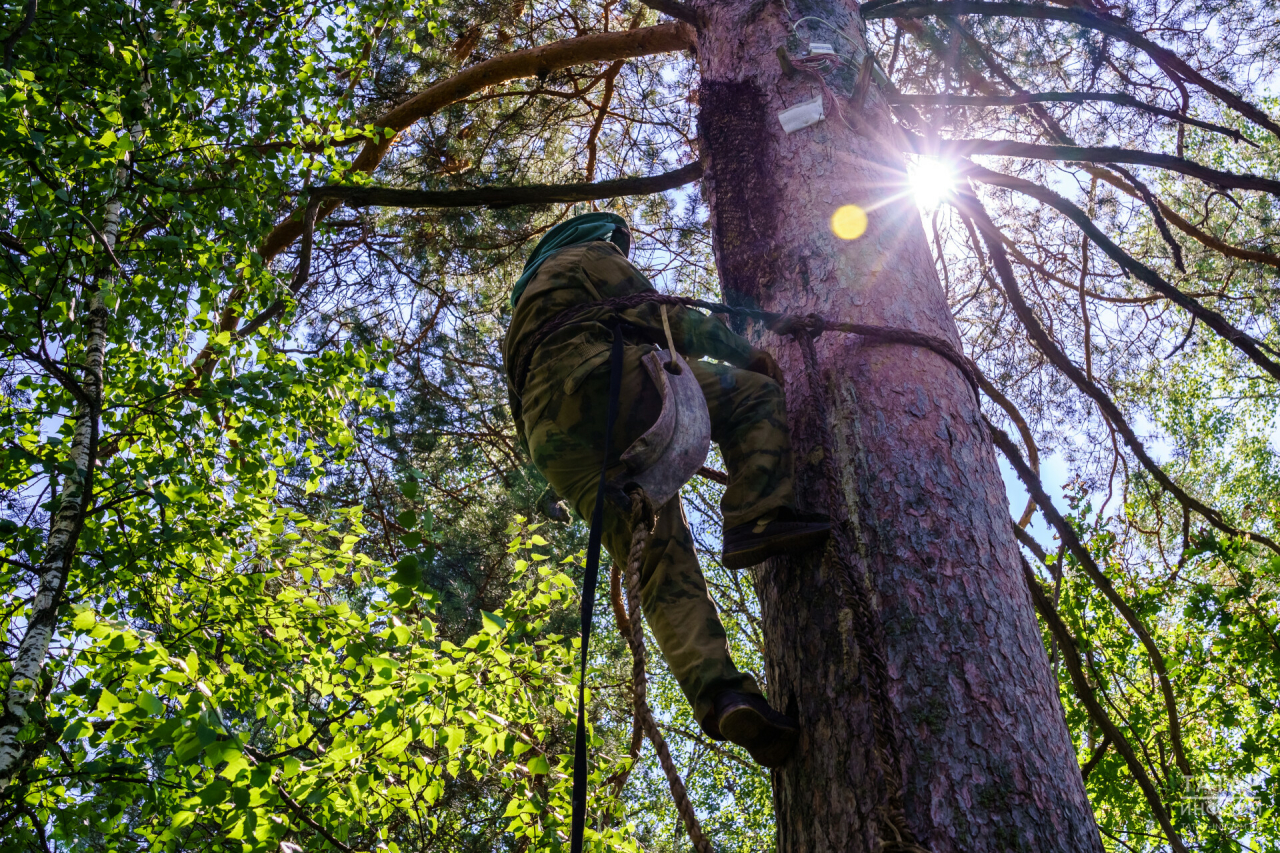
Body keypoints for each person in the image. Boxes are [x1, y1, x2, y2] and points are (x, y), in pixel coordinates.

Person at [502, 212, 830, 767]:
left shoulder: (522, 320)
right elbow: (663, 318)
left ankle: (724, 696)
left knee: (656, 561)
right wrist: (746, 355)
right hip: (602, 381)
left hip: (552, 445)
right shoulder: (585, 258)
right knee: (751, 397)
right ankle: (757, 515)